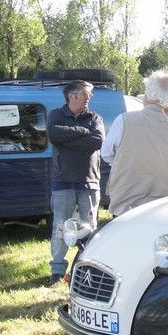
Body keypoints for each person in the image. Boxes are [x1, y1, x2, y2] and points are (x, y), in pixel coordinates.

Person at [101, 71, 168, 216]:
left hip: (128, 204)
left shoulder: (124, 121)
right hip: (167, 205)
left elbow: (106, 154)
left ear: (147, 93)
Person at [46, 80, 105, 285]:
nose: (89, 98)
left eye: (90, 94)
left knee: (90, 227)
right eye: (85, 94)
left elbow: (97, 140)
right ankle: (57, 270)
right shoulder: (55, 115)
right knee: (61, 226)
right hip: (63, 180)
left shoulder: (95, 117)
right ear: (72, 96)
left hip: (89, 181)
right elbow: (54, 134)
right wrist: (82, 132)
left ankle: (88, 267)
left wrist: (69, 139)